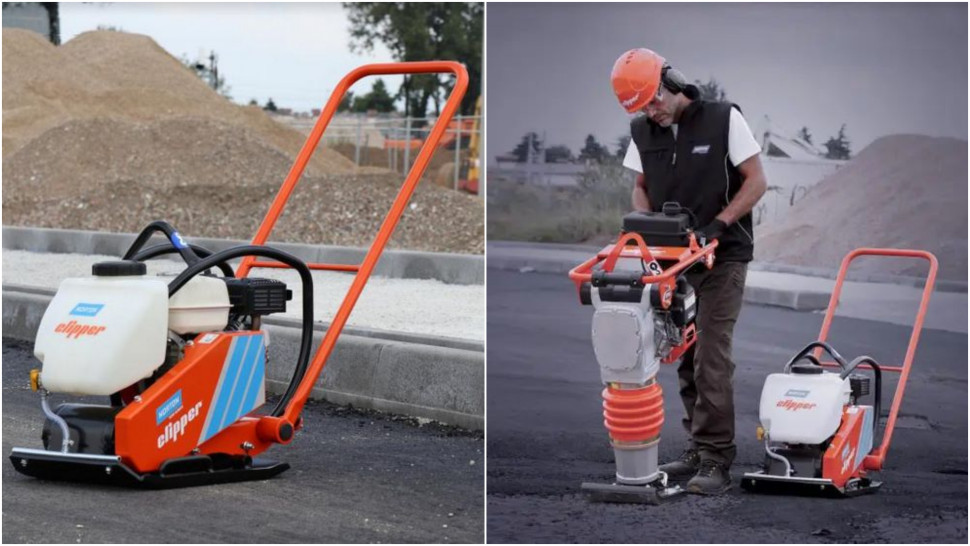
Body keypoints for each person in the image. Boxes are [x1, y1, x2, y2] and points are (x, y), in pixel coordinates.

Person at [611, 48, 767, 494]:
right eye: (640, 106)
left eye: (653, 101)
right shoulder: (642, 131)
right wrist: (649, 228)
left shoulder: (722, 119)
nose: (650, 111)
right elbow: (640, 188)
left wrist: (718, 225)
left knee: (711, 358)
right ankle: (698, 449)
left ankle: (717, 458)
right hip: (674, 263)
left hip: (723, 257)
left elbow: (756, 180)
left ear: (671, 82)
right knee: (685, 355)